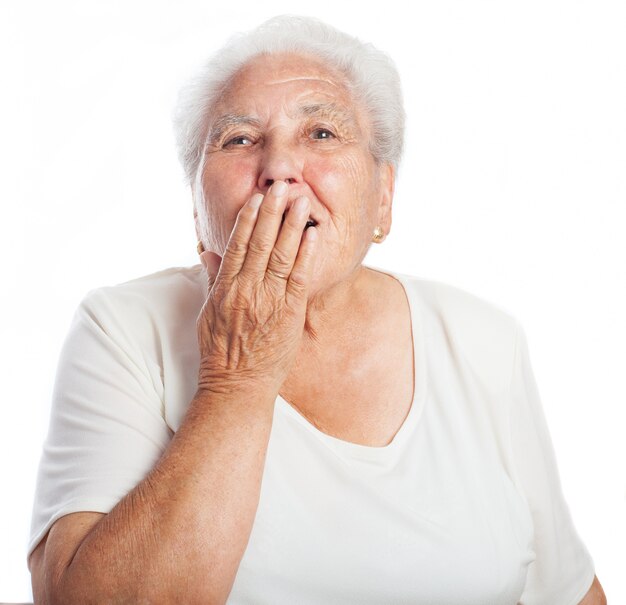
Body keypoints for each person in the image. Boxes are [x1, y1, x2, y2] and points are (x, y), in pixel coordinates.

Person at [27, 14, 606, 605]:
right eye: (239, 139)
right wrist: (237, 378)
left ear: (383, 196)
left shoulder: (484, 340)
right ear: (197, 209)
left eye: (322, 133)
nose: (279, 167)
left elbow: (569, 592)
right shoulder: (123, 329)